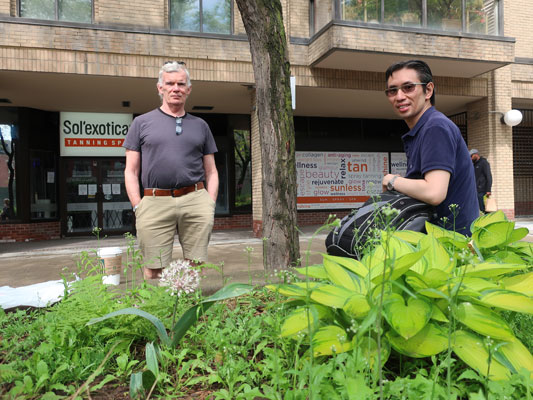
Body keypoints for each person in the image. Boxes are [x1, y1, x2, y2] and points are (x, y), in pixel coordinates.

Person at [124, 61, 219, 279]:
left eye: (181, 84)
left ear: (188, 89)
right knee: (154, 269)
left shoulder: (201, 125)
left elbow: (212, 171)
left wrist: (210, 203)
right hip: (154, 201)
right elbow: (131, 171)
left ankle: (192, 302)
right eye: (170, 83)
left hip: (195, 199)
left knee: (195, 266)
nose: (175, 88)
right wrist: (138, 205)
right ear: (160, 88)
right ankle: (159, 303)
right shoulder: (141, 123)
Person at [381, 60, 479, 235]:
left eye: (408, 87)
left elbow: (434, 192)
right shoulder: (424, 128)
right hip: (440, 240)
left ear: (428, 90)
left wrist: (392, 181)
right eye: (392, 90)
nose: (399, 96)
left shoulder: (435, 127)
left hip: (448, 243)